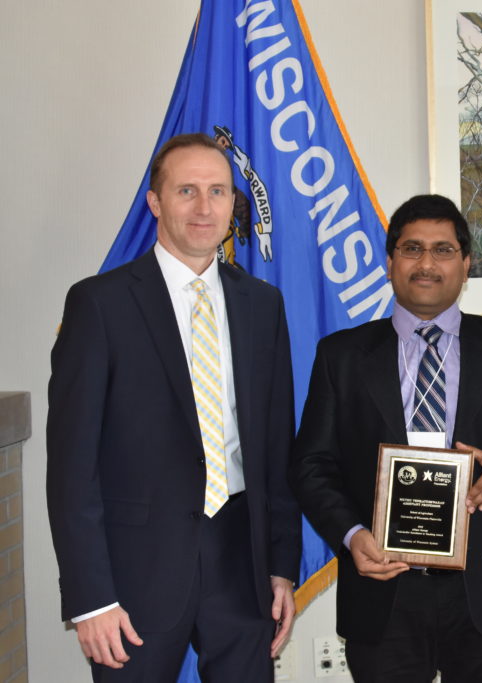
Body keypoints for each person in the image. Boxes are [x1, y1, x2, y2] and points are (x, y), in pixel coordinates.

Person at [46, 133, 301, 682]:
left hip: (242, 566)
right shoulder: (99, 304)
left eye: (218, 191)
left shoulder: (262, 305)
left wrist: (282, 568)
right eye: (186, 190)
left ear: (235, 203)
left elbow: (276, 449)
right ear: (156, 202)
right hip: (135, 574)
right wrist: (91, 598)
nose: (204, 207)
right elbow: (72, 467)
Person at [288, 194, 482, 683]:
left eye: (442, 250)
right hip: (382, 583)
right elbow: (311, 464)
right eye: (412, 249)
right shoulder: (342, 356)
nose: (427, 264)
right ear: (390, 261)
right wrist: (352, 537)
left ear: (466, 264)